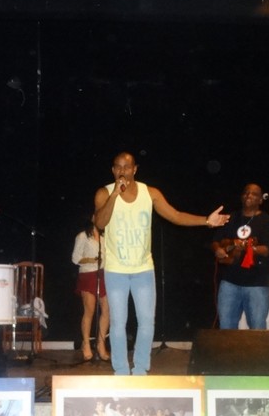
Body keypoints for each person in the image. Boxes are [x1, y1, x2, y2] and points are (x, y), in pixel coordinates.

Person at [93, 152, 229, 376]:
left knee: (147, 322)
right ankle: (121, 371)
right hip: (116, 270)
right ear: (113, 170)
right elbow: (100, 223)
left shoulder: (150, 193)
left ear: (135, 169)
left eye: (127, 167)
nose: (122, 171)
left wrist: (206, 221)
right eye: (118, 167)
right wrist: (115, 195)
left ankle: (140, 370)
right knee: (118, 322)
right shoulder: (104, 193)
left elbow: (175, 215)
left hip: (143, 270)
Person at [211, 183, 269, 329]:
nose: (249, 195)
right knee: (226, 327)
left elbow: (268, 249)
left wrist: (248, 248)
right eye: (246, 192)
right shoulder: (231, 218)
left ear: (260, 200)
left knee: (257, 328)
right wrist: (218, 250)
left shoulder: (266, 220)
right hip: (229, 282)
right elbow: (216, 241)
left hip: (257, 283)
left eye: (254, 194)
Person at [72, 221, 110, 361]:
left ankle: (101, 343)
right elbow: (75, 258)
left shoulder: (105, 237)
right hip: (88, 274)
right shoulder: (82, 236)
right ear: (94, 218)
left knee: (107, 310)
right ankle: (86, 344)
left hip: (103, 274)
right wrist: (91, 259)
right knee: (90, 310)